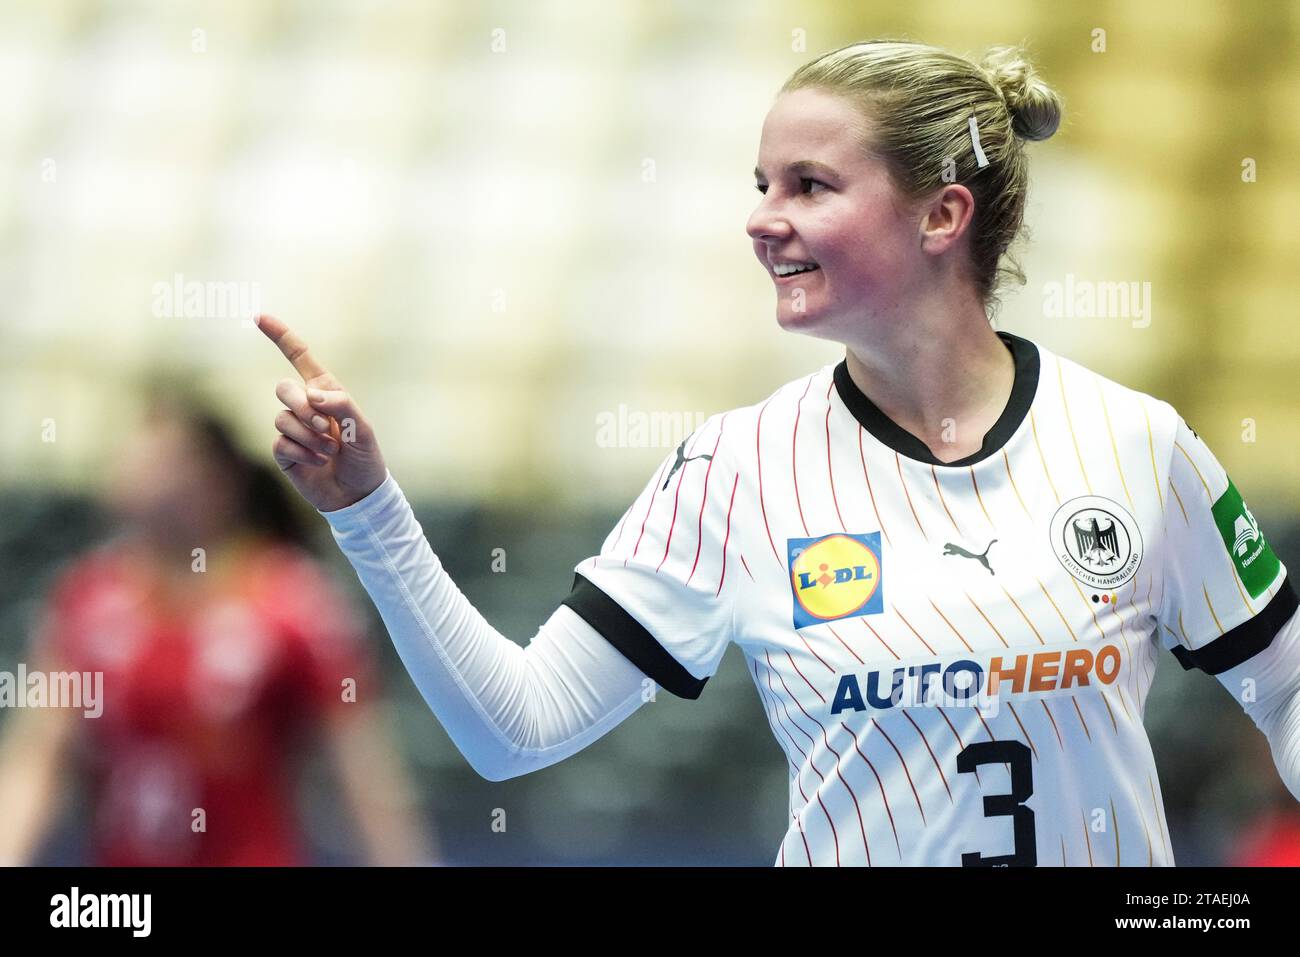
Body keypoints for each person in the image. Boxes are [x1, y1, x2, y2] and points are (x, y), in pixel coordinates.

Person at [255, 39, 1300, 866]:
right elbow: (514, 729)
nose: (761, 221)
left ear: (941, 214)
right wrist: (368, 510)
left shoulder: (1133, 443)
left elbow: (1287, 695)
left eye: (808, 186)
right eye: (760, 183)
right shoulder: (734, 470)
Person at [0, 393, 437, 866]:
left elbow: (362, 775)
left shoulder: (292, 604)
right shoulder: (87, 602)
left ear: (214, 482)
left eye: (157, 461)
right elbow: (37, 757)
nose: (131, 474)